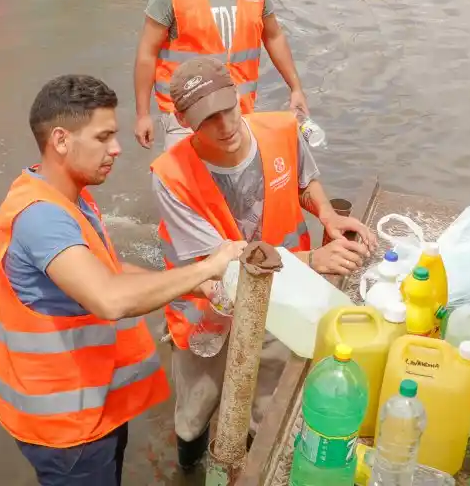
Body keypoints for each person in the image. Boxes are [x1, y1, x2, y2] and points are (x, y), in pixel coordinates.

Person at [0, 74, 246, 485]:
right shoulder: (40, 217)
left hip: (93, 408)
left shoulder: (70, 196)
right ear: (61, 140)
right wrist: (207, 267)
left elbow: (108, 270)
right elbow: (108, 297)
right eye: (103, 137)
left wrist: (193, 285)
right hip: (65, 429)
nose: (117, 148)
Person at [150, 56, 375, 472]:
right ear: (181, 119)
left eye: (228, 109)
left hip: (282, 302)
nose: (225, 126)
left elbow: (304, 180)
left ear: (238, 93)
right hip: (209, 309)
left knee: (268, 398)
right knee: (196, 408)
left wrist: (327, 214)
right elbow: (223, 266)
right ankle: (189, 471)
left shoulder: (280, 131)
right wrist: (314, 259)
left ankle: (249, 470)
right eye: (207, 119)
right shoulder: (172, 176)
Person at [134, 0, 310, 150]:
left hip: (239, 111)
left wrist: (296, 88)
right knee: (189, 184)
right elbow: (147, 52)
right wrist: (143, 115)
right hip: (186, 116)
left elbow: (274, 37)